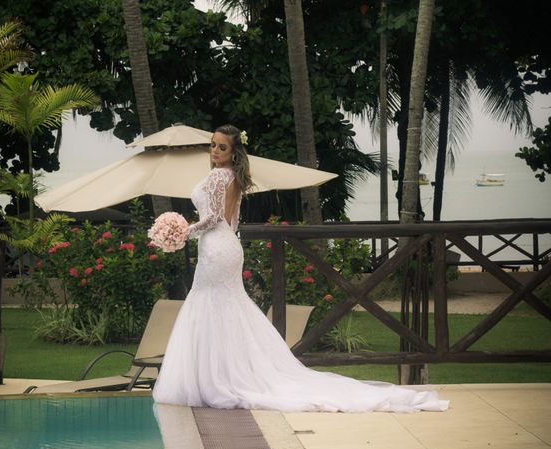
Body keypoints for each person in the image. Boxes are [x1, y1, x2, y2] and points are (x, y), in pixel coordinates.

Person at [152, 124, 448, 412]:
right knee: (226, 308)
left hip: (216, 247)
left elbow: (215, 218)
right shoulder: (235, 177)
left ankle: (216, 379)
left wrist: (182, 231)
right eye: (213, 145)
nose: (214, 151)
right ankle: (226, 375)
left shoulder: (218, 176)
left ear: (233, 152)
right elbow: (233, 223)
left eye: (221, 147)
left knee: (211, 306)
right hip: (228, 246)